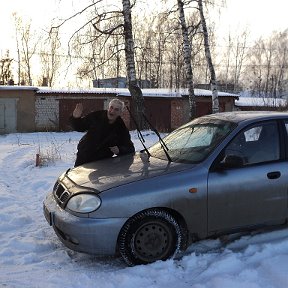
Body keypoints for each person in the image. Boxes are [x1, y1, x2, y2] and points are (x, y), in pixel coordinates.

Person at [70, 98, 135, 167]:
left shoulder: (121, 128)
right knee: (79, 177)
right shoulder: (97, 116)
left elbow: (130, 149)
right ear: (108, 107)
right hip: (84, 156)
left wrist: (120, 150)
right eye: (111, 107)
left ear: (120, 113)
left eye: (116, 109)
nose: (112, 111)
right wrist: (75, 118)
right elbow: (80, 127)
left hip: (102, 162)